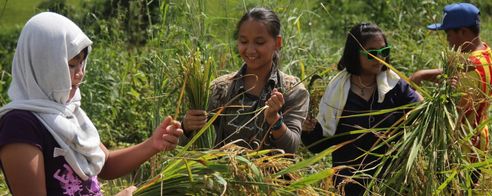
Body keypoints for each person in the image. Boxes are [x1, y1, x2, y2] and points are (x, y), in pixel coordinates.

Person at [0, 12, 183, 195]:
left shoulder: (67, 112)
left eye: (82, 63)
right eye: (71, 64)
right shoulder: (19, 126)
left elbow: (106, 163)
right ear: (43, 65)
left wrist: (152, 144)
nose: (80, 73)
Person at [301, 23, 423, 195]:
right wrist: (308, 130)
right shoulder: (338, 92)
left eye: (384, 51)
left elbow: (421, 114)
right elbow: (320, 144)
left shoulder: (396, 86)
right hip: (349, 185)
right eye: (372, 53)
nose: (380, 58)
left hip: (390, 183)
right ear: (354, 54)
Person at [181, 7, 309, 154]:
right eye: (243, 41)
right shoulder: (221, 89)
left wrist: (275, 120)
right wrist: (186, 126)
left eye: (259, 42)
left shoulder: (292, 90)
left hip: (271, 176)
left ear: (277, 42)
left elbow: (291, 148)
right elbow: (180, 144)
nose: (250, 50)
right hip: (226, 174)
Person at [424, 2, 490, 184]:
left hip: (462, 149)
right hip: (480, 139)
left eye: (448, 34)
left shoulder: (468, 72)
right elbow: (465, 65)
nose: (447, 40)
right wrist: (425, 74)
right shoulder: (485, 52)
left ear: (462, 32)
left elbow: (455, 112)